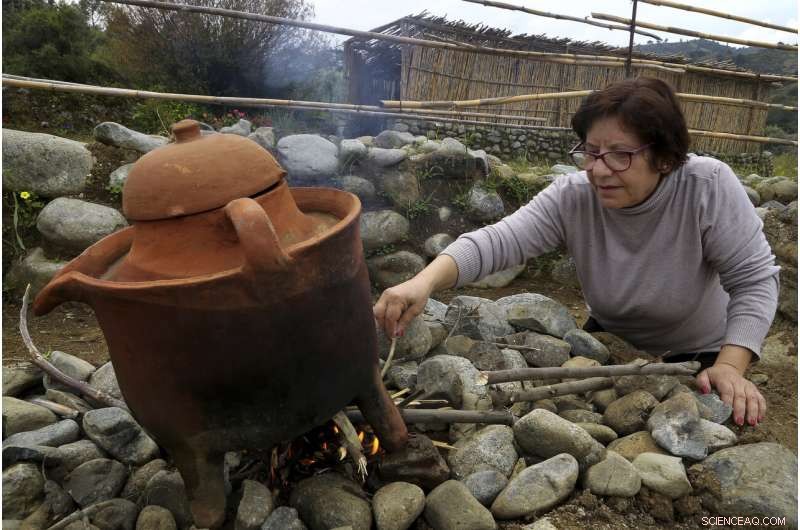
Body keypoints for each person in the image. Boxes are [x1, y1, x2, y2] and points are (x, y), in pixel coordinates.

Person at [373, 77, 778, 428]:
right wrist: (422, 281)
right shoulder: (575, 195)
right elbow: (497, 241)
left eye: (620, 154)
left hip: (701, 351)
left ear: (666, 157)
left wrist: (730, 366)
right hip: (611, 341)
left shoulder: (706, 186)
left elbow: (755, 281)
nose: (599, 169)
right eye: (590, 151)